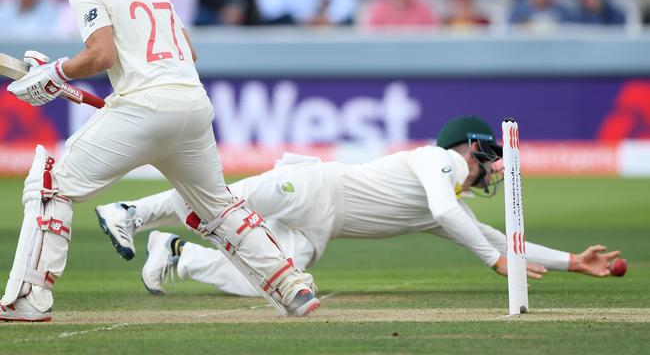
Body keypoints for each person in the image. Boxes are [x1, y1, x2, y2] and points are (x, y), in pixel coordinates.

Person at [0, 0, 319, 322]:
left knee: (51, 185)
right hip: (191, 102)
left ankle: (28, 299)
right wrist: (64, 73)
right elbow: (189, 50)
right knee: (219, 208)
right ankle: (291, 286)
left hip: (145, 107)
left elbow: (100, 55)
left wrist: (55, 72)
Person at [95, 116, 622, 298]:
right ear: (469, 147)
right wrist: (494, 261)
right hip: (312, 188)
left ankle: (176, 254)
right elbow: (469, 232)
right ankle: (130, 213)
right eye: (492, 155)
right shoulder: (441, 162)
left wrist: (572, 261)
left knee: (270, 276)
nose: (495, 167)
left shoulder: (446, 201)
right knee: (222, 201)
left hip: (319, 227)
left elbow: (491, 237)